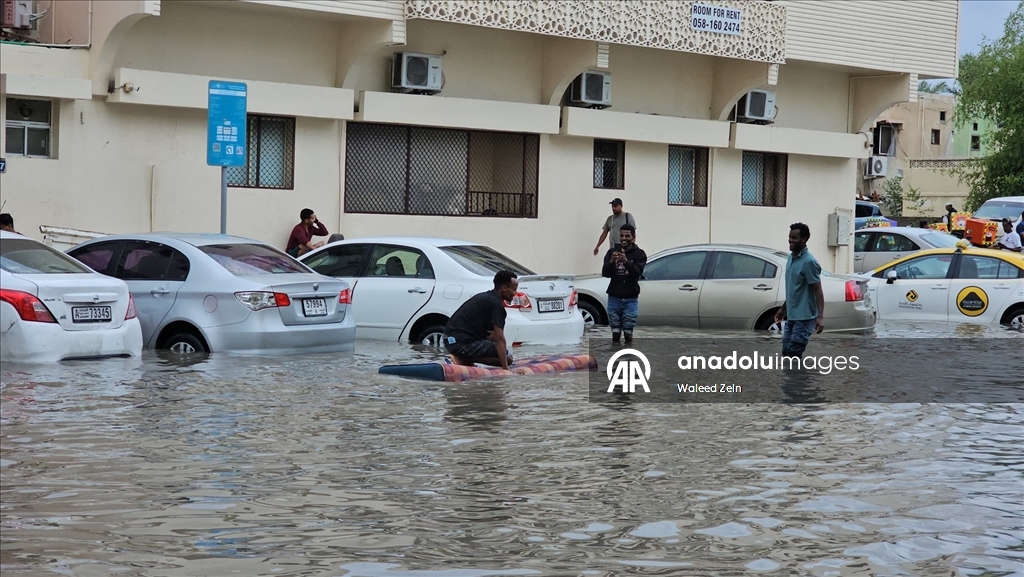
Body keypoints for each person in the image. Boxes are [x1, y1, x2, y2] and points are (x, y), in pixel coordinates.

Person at [443, 270, 518, 370]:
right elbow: (500, 339)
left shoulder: (485, 297)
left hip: (449, 340)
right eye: (514, 290)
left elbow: (492, 336)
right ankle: (462, 358)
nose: (515, 293)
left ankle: (464, 357)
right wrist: (506, 368)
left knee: (493, 340)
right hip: (460, 343)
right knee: (508, 358)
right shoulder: (496, 305)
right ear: (504, 288)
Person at [774, 223, 825, 359]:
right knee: (786, 353)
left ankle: (801, 380)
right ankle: (793, 380)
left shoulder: (808, 262)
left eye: (794, 238)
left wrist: (820, 317)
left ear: (804, 239)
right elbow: (795, 289)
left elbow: (818, 290)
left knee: (793, 354)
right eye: (790, 237)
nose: (791, 240)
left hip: (805, 318)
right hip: (792, 316)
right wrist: (783, 309)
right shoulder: (791, 258)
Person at [601, 223, 647, 345]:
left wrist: (626, 261)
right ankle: (615, 355)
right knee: (615, 332)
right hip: (614, 297)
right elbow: (605, 273)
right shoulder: (611, 252)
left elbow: (637, 271)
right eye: (621, 236)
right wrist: (611, 262)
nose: (624, 239)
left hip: (630, 299)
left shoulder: (639, 254)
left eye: (627, 236)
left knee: (628, 332)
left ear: (633, 237)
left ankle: (628, 356)